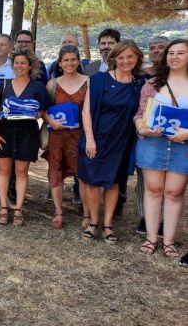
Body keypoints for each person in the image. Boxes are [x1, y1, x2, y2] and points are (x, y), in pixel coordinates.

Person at [78, 40, 144, 243]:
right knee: (91, 182)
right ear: (114, 58)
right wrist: (89, 138)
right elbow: (86, 110)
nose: (125, 61)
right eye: (121, 57)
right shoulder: (98, 79)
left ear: (137, 58)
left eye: (130, 57)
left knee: (114, 183)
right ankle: (93, 222)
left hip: (121, 141)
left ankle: (108, 225)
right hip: (96, 138)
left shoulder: (139, 84)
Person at [132, 39, 188, 256]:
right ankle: (151, 239)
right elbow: (139, 115)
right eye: (170, 52)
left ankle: (169, 242)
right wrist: (141, 129)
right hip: (153, 143)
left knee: (174, 192)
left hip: (182, 146)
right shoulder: (152, 84)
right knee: (153, 190)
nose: (174, 56)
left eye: (180, 53)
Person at [0, 48, 51, 226]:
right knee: (3, 171)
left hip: (27, 133)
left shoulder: (38, 87)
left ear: (30, 65)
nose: (19, 66)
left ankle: (18, 209)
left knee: (21, 172)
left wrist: (36, 114)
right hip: (5, 131)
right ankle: (3, 207)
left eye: (23, 63)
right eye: (16, 63)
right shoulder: (5, 85)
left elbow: (44, 110)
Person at [41, 46, 88, 229]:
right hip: (57, 136)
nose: (69, 63)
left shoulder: (88, 82)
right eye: (66, 60)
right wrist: (51, 122)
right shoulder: (52, 84)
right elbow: (43, 110)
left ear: (78, 61)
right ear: (60, 63)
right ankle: (58, 211)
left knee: (83, 175)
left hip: (80, 135)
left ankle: (87, 213)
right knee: (56, 173)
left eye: (73, 59)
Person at [134, 35, 169, 234]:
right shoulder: (141, 76)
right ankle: (144, 216)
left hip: (174, 137)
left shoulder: (179, 79)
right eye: (152, 47)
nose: (156, 51)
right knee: (145, 180)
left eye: (161, 47)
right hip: (144, 134)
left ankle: (164, 219)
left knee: (169, 184)